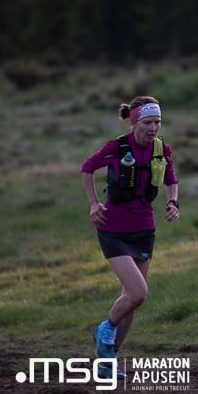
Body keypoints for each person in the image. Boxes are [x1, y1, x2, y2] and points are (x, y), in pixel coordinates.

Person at [81, 96, 179, 378]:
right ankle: (105, 329)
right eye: (148, 122)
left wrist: (173, 203)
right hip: (113, 229)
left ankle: (106, 364)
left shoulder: (162, 149)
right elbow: (87, 168)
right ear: (135, 122)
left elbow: (172, 180)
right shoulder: (116, 147)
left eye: (157, 122)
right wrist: (93, 204)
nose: (153, 128)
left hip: (144, 230)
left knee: (131, 300)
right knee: (138, 293)